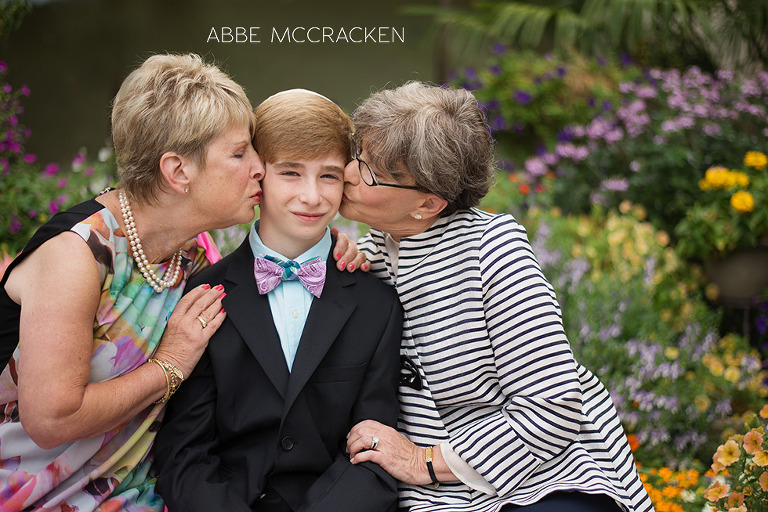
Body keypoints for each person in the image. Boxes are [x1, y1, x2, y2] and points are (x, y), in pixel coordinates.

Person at [0, 55, 360, 512]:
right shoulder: (76, 256)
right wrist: (169, 364)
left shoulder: (192, 253)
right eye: (239, 153)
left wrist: (328, 248)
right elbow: (52, 418)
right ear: (178, 172)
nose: (259, 167)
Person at [342, 82, 654, 512]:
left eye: (370, 170)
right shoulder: (367, 253)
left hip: (544, 479)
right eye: (357, 154)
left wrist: (423, 460)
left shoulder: (492, 247)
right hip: (434, 499)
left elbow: (553, 404)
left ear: (427, 205)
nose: (348, 173)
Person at [153, 89, 404, 512]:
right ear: (257, 175)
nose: (312, 197)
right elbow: (185, 454)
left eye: (328, 175)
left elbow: (376, 451)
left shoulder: (376, 302)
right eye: (290, 173)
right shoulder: (203, 295)